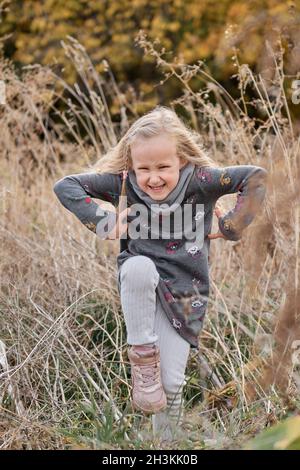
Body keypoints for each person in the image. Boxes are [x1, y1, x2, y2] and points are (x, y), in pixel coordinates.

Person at [53, 105, 268, 443]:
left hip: (186, 294)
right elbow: (66, 186)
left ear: (181, 159)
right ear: (132, 165)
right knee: (138, 266)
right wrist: (103, 220)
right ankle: (141, 357)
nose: (153, 178)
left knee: (169, 385)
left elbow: (255, 178)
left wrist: (231, 225)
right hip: (139, 290)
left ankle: (167, 446)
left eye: (163, 167)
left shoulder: (202, 181)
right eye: (144, 169)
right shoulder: (125, 183)